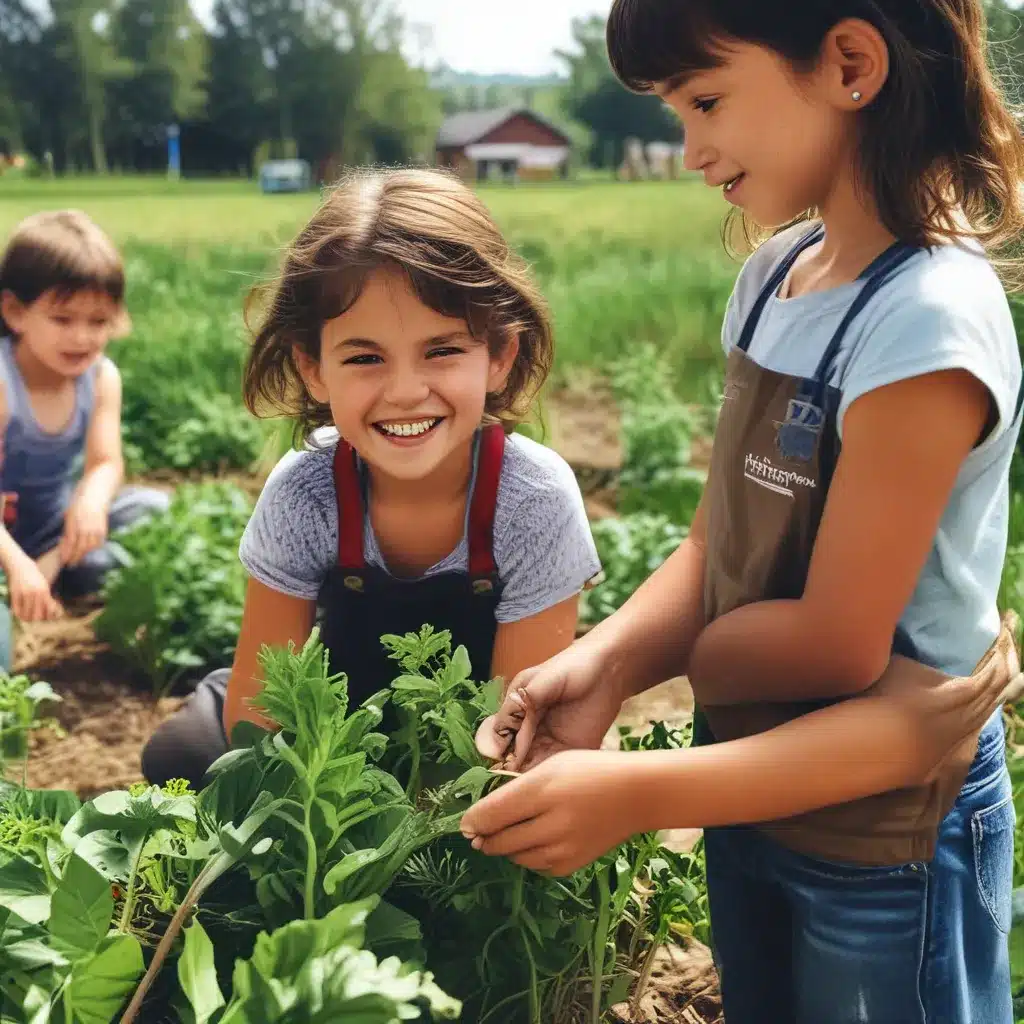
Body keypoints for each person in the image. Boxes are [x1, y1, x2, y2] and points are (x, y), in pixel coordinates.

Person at [462, 3, 1024, 1022]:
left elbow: (835, 648)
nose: (690, 149)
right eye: (676, 112)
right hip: (751, 785)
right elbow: (716, 542)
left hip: (885, 826)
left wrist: (662, 733)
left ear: (850, 63)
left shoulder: (925, 320)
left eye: (706, 101)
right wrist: (611, 662)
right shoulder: (774, 277)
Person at [141, 167, 601, 788]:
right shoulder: (306, 491)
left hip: (467, 754)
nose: (406, 393)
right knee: (187, 751)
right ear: (313, 370)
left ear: (499, 356)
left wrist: (421, 827)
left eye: (442, 351)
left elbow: (512, 727)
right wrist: (316, 821)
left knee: (532, 790)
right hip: (333, 749)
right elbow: (259, 710)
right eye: (364, 358)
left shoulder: (533, 500)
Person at [0, 210, 169, 668]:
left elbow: (104, 464)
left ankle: (58, 572)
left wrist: (90, 504)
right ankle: (34, 586)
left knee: (152, 511)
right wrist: (18, 569)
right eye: (62, 318)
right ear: (15, 312)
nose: (82, 337)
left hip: (50, 528)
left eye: (98, 321)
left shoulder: (100, 378)